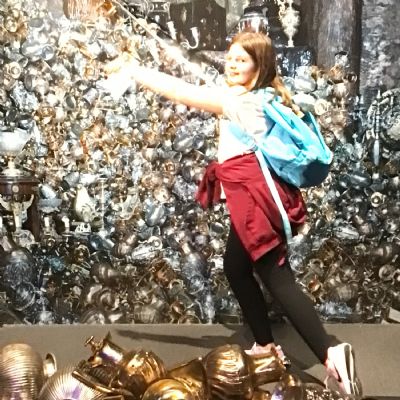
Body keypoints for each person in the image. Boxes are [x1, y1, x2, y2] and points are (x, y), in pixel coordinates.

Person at [105, 31, 361, 397]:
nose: (231, 64)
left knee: (277, 277)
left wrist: (135, 71)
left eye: (241, 60)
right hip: (253, 199)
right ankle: (265, 347)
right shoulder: (262, 96)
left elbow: (182, 91)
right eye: (230, 57)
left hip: (255, 202)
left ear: (259, 66)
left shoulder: (241, 101)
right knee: (236, 268)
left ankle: (331, 353)